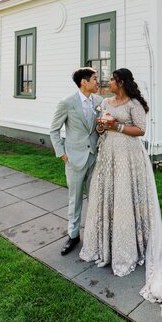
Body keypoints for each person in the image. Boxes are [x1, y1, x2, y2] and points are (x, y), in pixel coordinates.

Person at [79, 68, 162, 316]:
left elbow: (141, 131)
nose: (108, 83)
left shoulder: (134, 103)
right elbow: (101, 128)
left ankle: (132, 245)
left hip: (129, 156)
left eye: (113, 80)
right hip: (108, 154)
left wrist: (116, 125)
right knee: (107, 197)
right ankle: (106, 245)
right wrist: (101, 125)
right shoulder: (106, 101)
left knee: (126, 197)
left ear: (122, 82)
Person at [50, 67, 103, 256]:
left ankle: (95, 234)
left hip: (95, 158)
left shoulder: (100, 101)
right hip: (74, 159)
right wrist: (63, 154)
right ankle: (73, 236)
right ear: (84, 82)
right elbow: (54, 130)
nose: (98, 82)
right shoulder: (67, 103)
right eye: (95, 79)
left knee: (96, 198)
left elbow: (99, 127)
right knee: (75, 199)